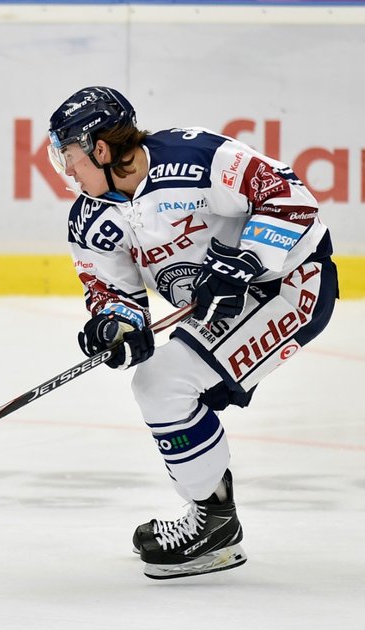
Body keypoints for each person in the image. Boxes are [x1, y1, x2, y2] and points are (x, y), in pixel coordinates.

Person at [46, 86, 338, 579]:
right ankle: (214, 515)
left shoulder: (196, 157)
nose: (67, 171)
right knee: (157, 382)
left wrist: (246, 260)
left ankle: (215, 526)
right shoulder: (89, 217)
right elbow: (111, 291)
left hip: (289, 286)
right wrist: (117, 326)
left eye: (70, 156)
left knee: (165, 386)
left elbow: (292, 197)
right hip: (220, 307)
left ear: (100, 148)